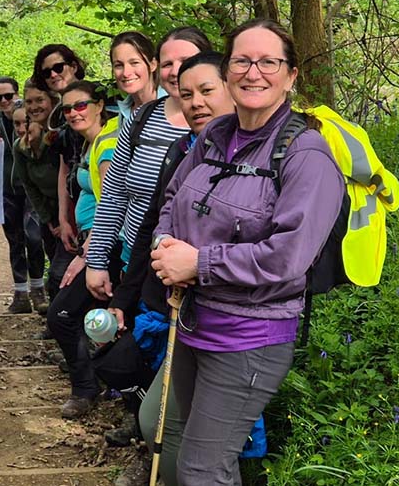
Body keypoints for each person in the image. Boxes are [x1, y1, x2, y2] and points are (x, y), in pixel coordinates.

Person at [151, 19, 343, 484]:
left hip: (248, 338)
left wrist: (199, 263)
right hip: (194, 322)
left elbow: (287, 258)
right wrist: (163, 246)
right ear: (227, 67)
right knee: (188, 451)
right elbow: (173, 201)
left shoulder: (306, 155)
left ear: (291, 75)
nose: (253, 72)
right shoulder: (214, 137)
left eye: (268, 62)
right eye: (242, 60)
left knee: (201, 469)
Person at [107, 51, 234, 486]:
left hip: (239, 322)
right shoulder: (186, 151)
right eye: (186, 93)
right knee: (160, 420)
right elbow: (151, 226)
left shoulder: (261, 157)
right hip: (185, 309)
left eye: (206, 90)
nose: (195, 101)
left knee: (201, 440)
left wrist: (199, 264)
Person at [86, 27, 212, 301]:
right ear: (157, 67)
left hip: (196, 274)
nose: (177, 71)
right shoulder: (143, 117)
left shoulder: (223, 127)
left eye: (187, 62)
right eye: (168, 64)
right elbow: (114, 194)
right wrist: (97, 261)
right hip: (137, 261)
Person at [44, 80, 120, 420]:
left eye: (81, 105)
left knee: (62, 315)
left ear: (99, 105)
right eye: (67, 109)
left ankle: (87, 388)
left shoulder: (108, 146)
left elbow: (113, 206)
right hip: (95, 241)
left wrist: (87, 255)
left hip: (107, 246)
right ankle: (100, 384)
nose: (74, 113)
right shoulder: (91, 143)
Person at [0, 76, 46, 314]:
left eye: (8, 95)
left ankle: (38, 290)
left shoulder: (29, 116)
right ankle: (20, 294)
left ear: (17, 93)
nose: (4, 101)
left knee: (34, 236)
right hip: (6, 191)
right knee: (15, 240)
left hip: (31, 189)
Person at [13, 78, 72, 308]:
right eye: (29, 102)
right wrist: (49, 219)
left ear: (52, 101)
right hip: (48, 213)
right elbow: (29, 186)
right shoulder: (21, 147)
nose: (35, 106)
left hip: (71, 211)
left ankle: (61, 318)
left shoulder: (61, 135)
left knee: (60, 271)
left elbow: (67, 177)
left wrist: (64, 218)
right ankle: (56, 316)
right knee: (54, 259)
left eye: (40, 100)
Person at [30, 44, 87, 258]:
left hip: (97, 200)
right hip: (74, 201)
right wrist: (63, 220)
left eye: (58, 67)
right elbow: (65, 167)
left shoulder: (96, 97)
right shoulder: (58, 115)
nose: (53, 74)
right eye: (47, 72)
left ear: (73, 66)